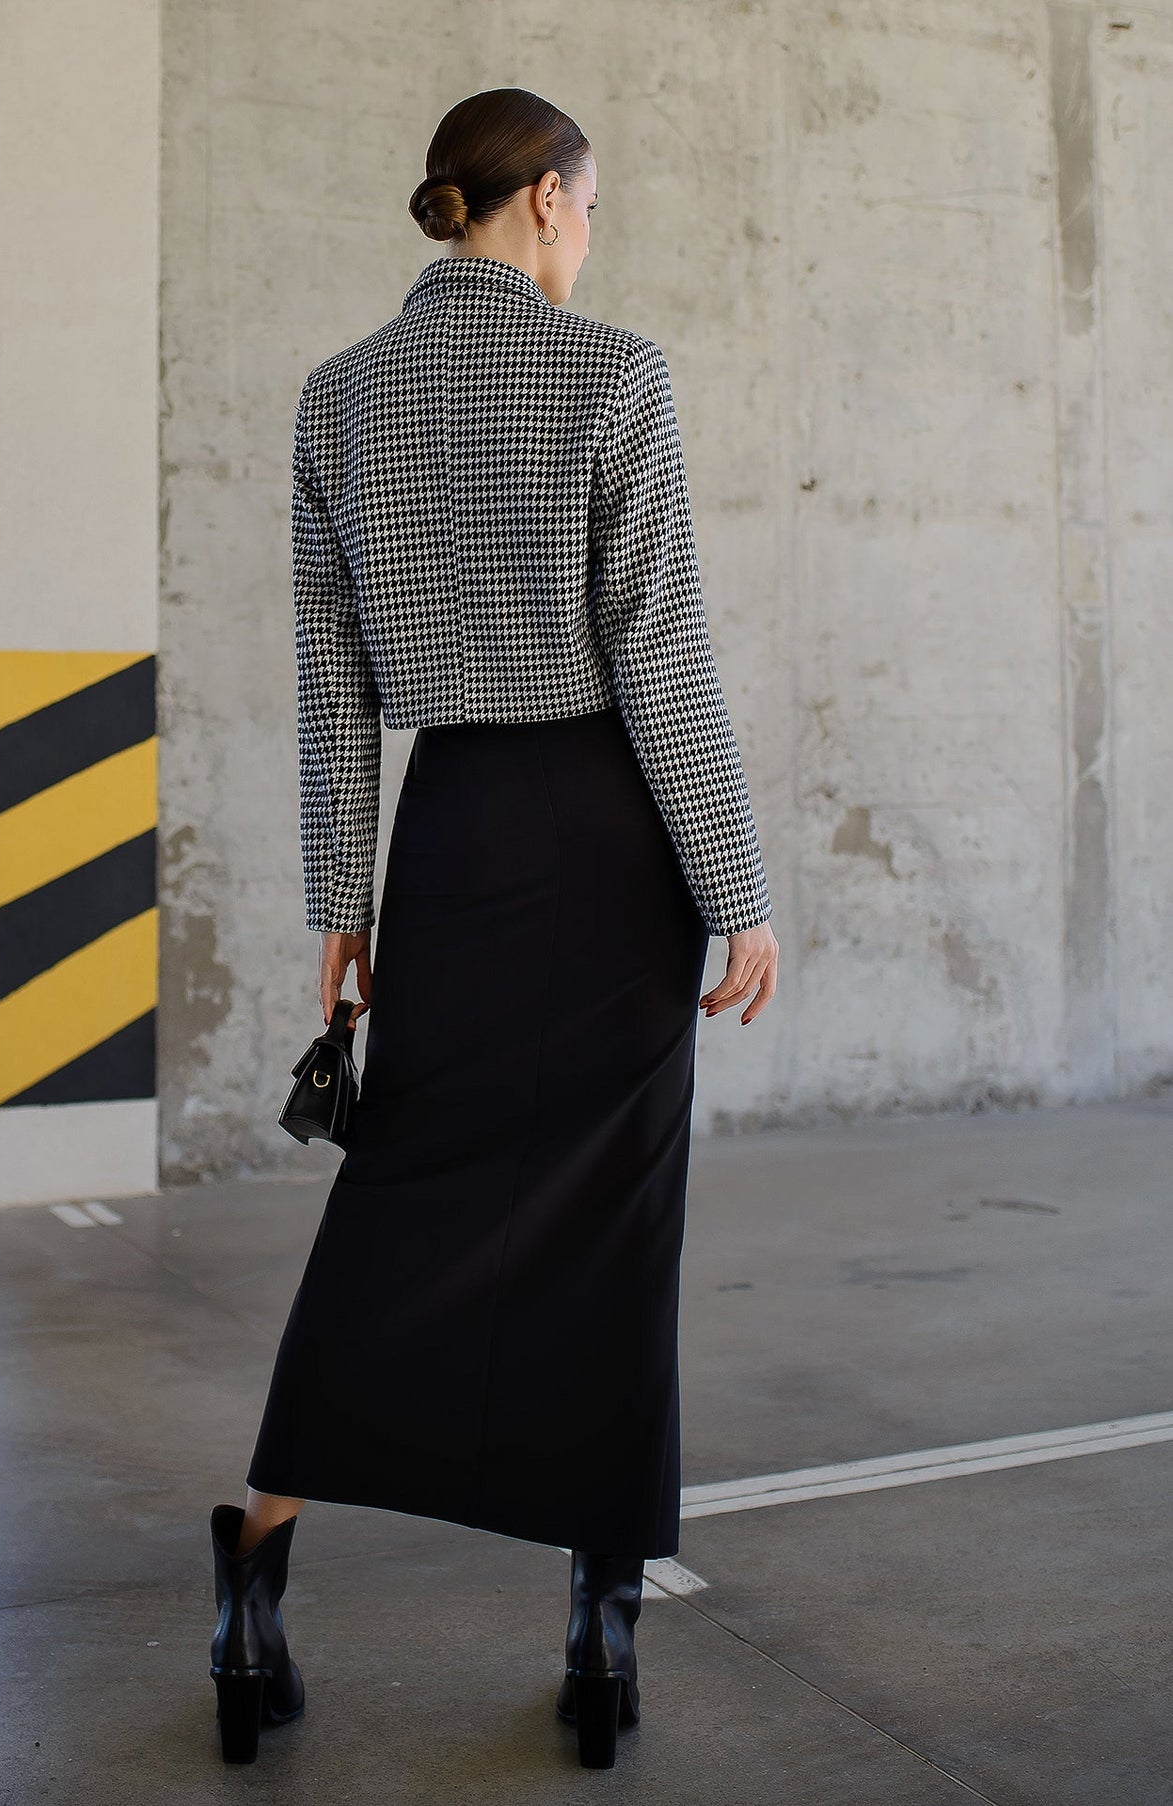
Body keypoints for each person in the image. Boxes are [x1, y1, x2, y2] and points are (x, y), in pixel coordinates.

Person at [207, 85, 779, 1770]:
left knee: (394, 1203)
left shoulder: (339, 397)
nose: (591, 238)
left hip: (448, 827)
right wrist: (733, 886)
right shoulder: (613, 373)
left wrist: (343, 901)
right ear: (538, 201)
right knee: (616, 1225)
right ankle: (603, 1617)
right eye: (588, 207)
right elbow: (659, 650)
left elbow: (332, 682)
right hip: (610, 845)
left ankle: (251, 1580)